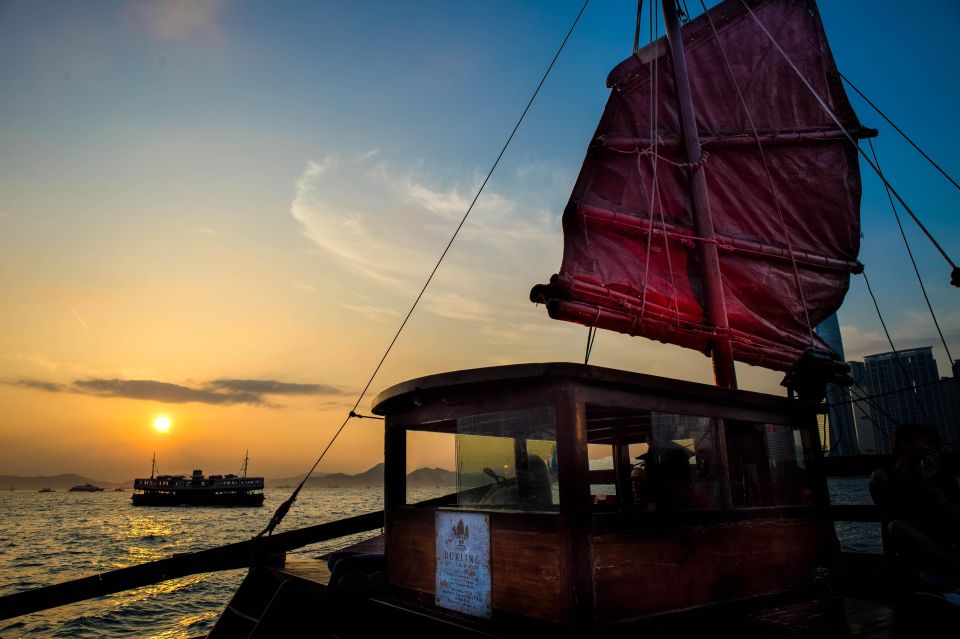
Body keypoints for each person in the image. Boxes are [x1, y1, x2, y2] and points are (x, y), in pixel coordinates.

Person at [869, 423, 960, 591]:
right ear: (905, 444)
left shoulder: (944, 479)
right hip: (913, 550)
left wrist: (935, 489)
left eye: (935, 446)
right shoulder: (884, 477)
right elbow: (893, 518)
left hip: (947, 543)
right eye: (927, 443)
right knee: (897, 526)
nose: (932, 450)